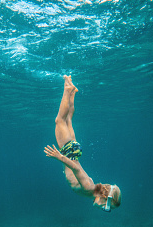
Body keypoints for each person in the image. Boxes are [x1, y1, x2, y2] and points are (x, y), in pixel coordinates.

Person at [44, 75, 121, 211]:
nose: (103, 208)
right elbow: (77, 169)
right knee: (59, 120)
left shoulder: (93, 188)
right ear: (104, 196)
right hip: (69, 152)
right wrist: (59, 157)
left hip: (74, 152)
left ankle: (72, 92)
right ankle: (67, 89)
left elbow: (81, 173)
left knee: (68, 120)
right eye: (105, 205)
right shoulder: (88, 188)